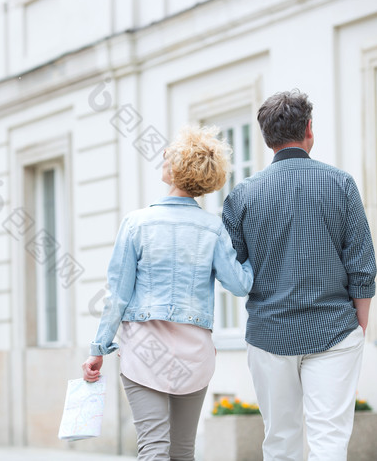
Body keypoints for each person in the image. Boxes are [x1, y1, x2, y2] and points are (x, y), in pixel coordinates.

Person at [82, 125, 254, 461]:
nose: (163, 160)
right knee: (183, 451)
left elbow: (117, 295)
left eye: (167, 156)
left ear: (176, 168)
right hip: (195, 352)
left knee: (153, 448)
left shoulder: (136, 224)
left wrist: (98, 348)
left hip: (143, 350)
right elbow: (239, 284)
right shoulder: (213, 228)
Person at [222, 89, 376, 461]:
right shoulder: (341, 184)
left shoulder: (242, 195)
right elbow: (362, 266)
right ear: (309, 128)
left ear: (265, 137)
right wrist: (359, 326)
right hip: (334, 330)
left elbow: (233, 271)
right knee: (329, 440)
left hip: (269, 332)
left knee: (280, 441)